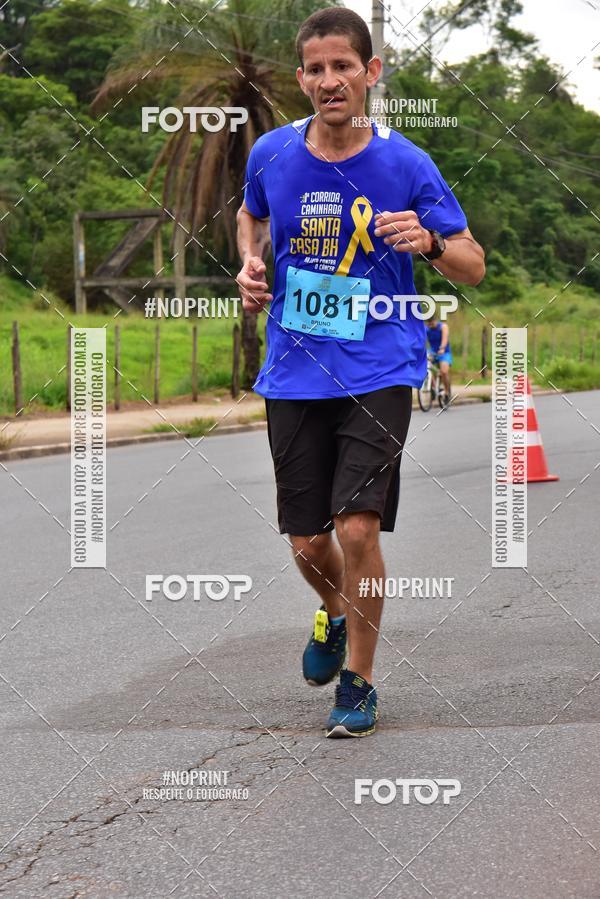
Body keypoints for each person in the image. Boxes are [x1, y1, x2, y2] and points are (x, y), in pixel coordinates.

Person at [235, 8, 485, 737]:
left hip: (379, 365)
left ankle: (360, 680)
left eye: (343, 66)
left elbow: (472, 261)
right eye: (315, 69)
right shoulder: (272, 156)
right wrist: (250, 264)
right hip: (293, 369)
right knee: (310, 542)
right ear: (303, 79)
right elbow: (251, 220)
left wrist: (432, 241)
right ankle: (335, 613)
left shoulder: (405, 164)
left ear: (370, 73)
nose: (328, 80)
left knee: (356, 525)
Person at [426, 316, 453, 400]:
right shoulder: (426, 329)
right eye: (429, 324)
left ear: (435, 320)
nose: (431, 325)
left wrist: (442, 348)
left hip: (444, 351)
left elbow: (445, 339)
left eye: (432, 323)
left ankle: (447, 391)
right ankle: (433, 387)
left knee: (444, 372)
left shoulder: (443, 327)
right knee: (425, 367)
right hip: (432, 351)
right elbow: (422, 340)